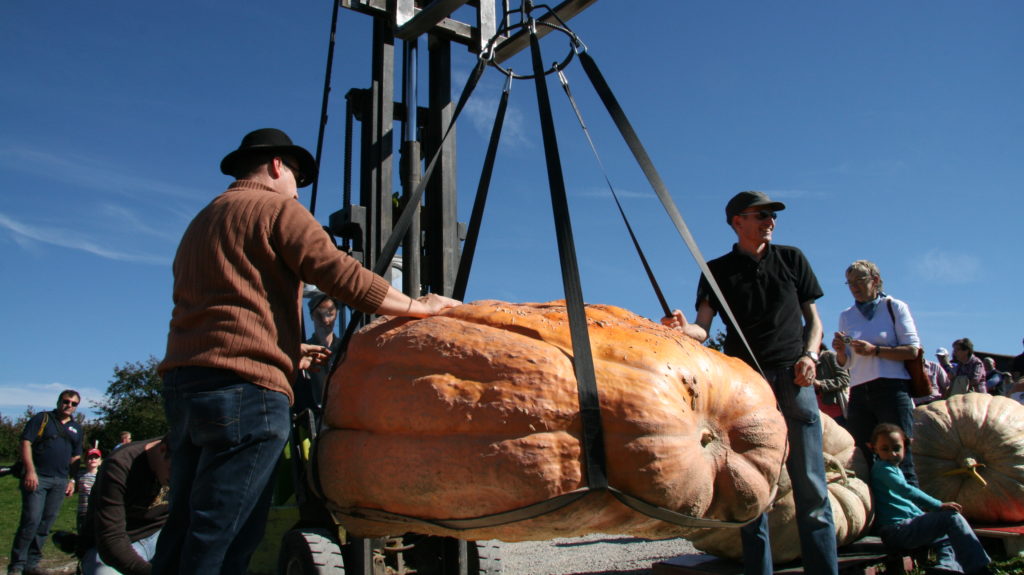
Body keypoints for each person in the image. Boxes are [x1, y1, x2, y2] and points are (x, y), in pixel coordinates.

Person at [152, 128, 460, 575]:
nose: (298, 189)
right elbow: (339, 274)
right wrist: (417, 307)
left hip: (186, 387)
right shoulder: (278, 207)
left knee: (184, 528)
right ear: (278, 165)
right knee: (225, 536)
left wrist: (286, 348)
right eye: (297, 176)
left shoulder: (203, 220)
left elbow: (224, 309)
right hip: (246, 394)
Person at [663, 190, 837, 575]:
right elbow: (703, 328)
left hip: (795, 378)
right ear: (737, 221)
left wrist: (810, 356)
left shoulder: (792, 259)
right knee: (750, 492)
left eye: (772, 216)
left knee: (812, 488)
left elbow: (816, 322)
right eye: (761, 215)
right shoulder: (716, 270)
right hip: (744, 389)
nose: (770, 221)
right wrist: (681, 330)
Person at [833, 260, 921, 487]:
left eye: (859, 281)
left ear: (875, 280)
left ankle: (911, 514)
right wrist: (841, 353)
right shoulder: (847, 315)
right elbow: (847, 364)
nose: (854, 287)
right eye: (850, 283)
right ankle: (877, 514)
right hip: (860, 391)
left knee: (899, 454)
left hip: (892, 388)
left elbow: (912, 350)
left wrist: (876, 351)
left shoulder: (894, 307)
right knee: (864, 455)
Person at [868, 423, 992, 575]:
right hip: (896, 530)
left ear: (906, 446)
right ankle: (980, 569)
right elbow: (906, 490)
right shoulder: (882, 469)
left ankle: (946, 568)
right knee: (950, 518)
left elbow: (906, 503)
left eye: (896, 448)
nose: (892, 454)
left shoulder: (892, 469)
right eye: (885, 449)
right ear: (874, 449)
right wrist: (938, 505)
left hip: (904, 527)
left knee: (947, 534)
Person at [8, 390, 84, 575]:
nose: (69, 406)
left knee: (46, 524)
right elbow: (26, 442)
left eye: (74, 404)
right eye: (66, 401)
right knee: (31, 520)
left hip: (60, 480)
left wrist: (72, 480)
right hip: (38, 477)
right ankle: (17, 564)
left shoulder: (76, 428)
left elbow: (76, 456)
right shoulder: (43, 419)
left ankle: (32, 563)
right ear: (59, 401)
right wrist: (30, 471)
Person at [78, 438, 171, 575]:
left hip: (162, 535)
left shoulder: (195, 456)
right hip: (124, 541)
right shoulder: (121, 464)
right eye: (174, 473)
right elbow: (112, 542)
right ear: (163, 450)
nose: (178, 481)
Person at [294, 292, 343, 414]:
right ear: (311, 316)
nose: (325, 320)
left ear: (337, 315)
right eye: (319, 315)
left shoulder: (346, 348)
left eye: (330, 314)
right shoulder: (304, 351)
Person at [814, 344, 850, 428]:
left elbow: (845, 379)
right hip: (818, 416)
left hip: (836, 414)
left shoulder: (829, 356)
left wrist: (821, 384)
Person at [77, 448, 103, 533]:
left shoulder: (102, 476)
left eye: (96, 458)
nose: (93, 460)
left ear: (100, 461)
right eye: (90, 458)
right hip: (83, 511)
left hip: (96, 511)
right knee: (82, 532)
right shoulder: (80, 475)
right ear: (85, 461)